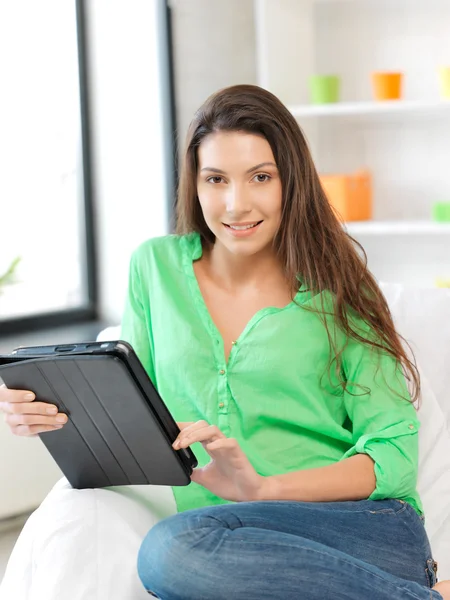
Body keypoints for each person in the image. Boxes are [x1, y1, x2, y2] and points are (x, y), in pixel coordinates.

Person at [1, 84, 449, 600]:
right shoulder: (155, 269)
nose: (237, 205)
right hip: (227, 538)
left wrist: (263, 489)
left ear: (292, 182)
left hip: (361, 528)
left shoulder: (340, 288)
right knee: (179, 550)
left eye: (261, 177)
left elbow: (393, 457)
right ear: (194, 184)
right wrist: (50, 414)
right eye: (216, 179)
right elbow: (135, 418)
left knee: (172, 551)